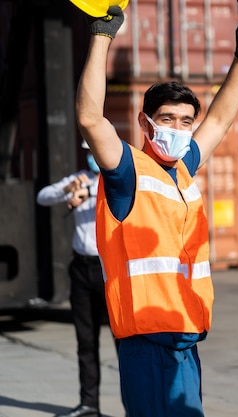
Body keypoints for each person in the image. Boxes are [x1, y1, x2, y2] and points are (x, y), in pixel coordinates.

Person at [73, 5, 238, 417]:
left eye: (185, 121)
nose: (177, 129)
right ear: (145, 123)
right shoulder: (127, 171)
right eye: (167, 119)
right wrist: (102, 36)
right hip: (148, 340)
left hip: (186, 337)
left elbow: (220, 123)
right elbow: (90, 118)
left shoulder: (180, 170)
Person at [37, 141, 115, 417]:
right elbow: (43, 197)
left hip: (111, 270)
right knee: (86, 341)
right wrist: (68, 190)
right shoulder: (77, 179)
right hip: (81, 268)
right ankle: (89, 404)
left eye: (97, 150)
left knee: (124, 340)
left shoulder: (116, 179)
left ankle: (135, 405)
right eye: (90, 151)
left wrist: (91, 192)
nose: (94, 156)